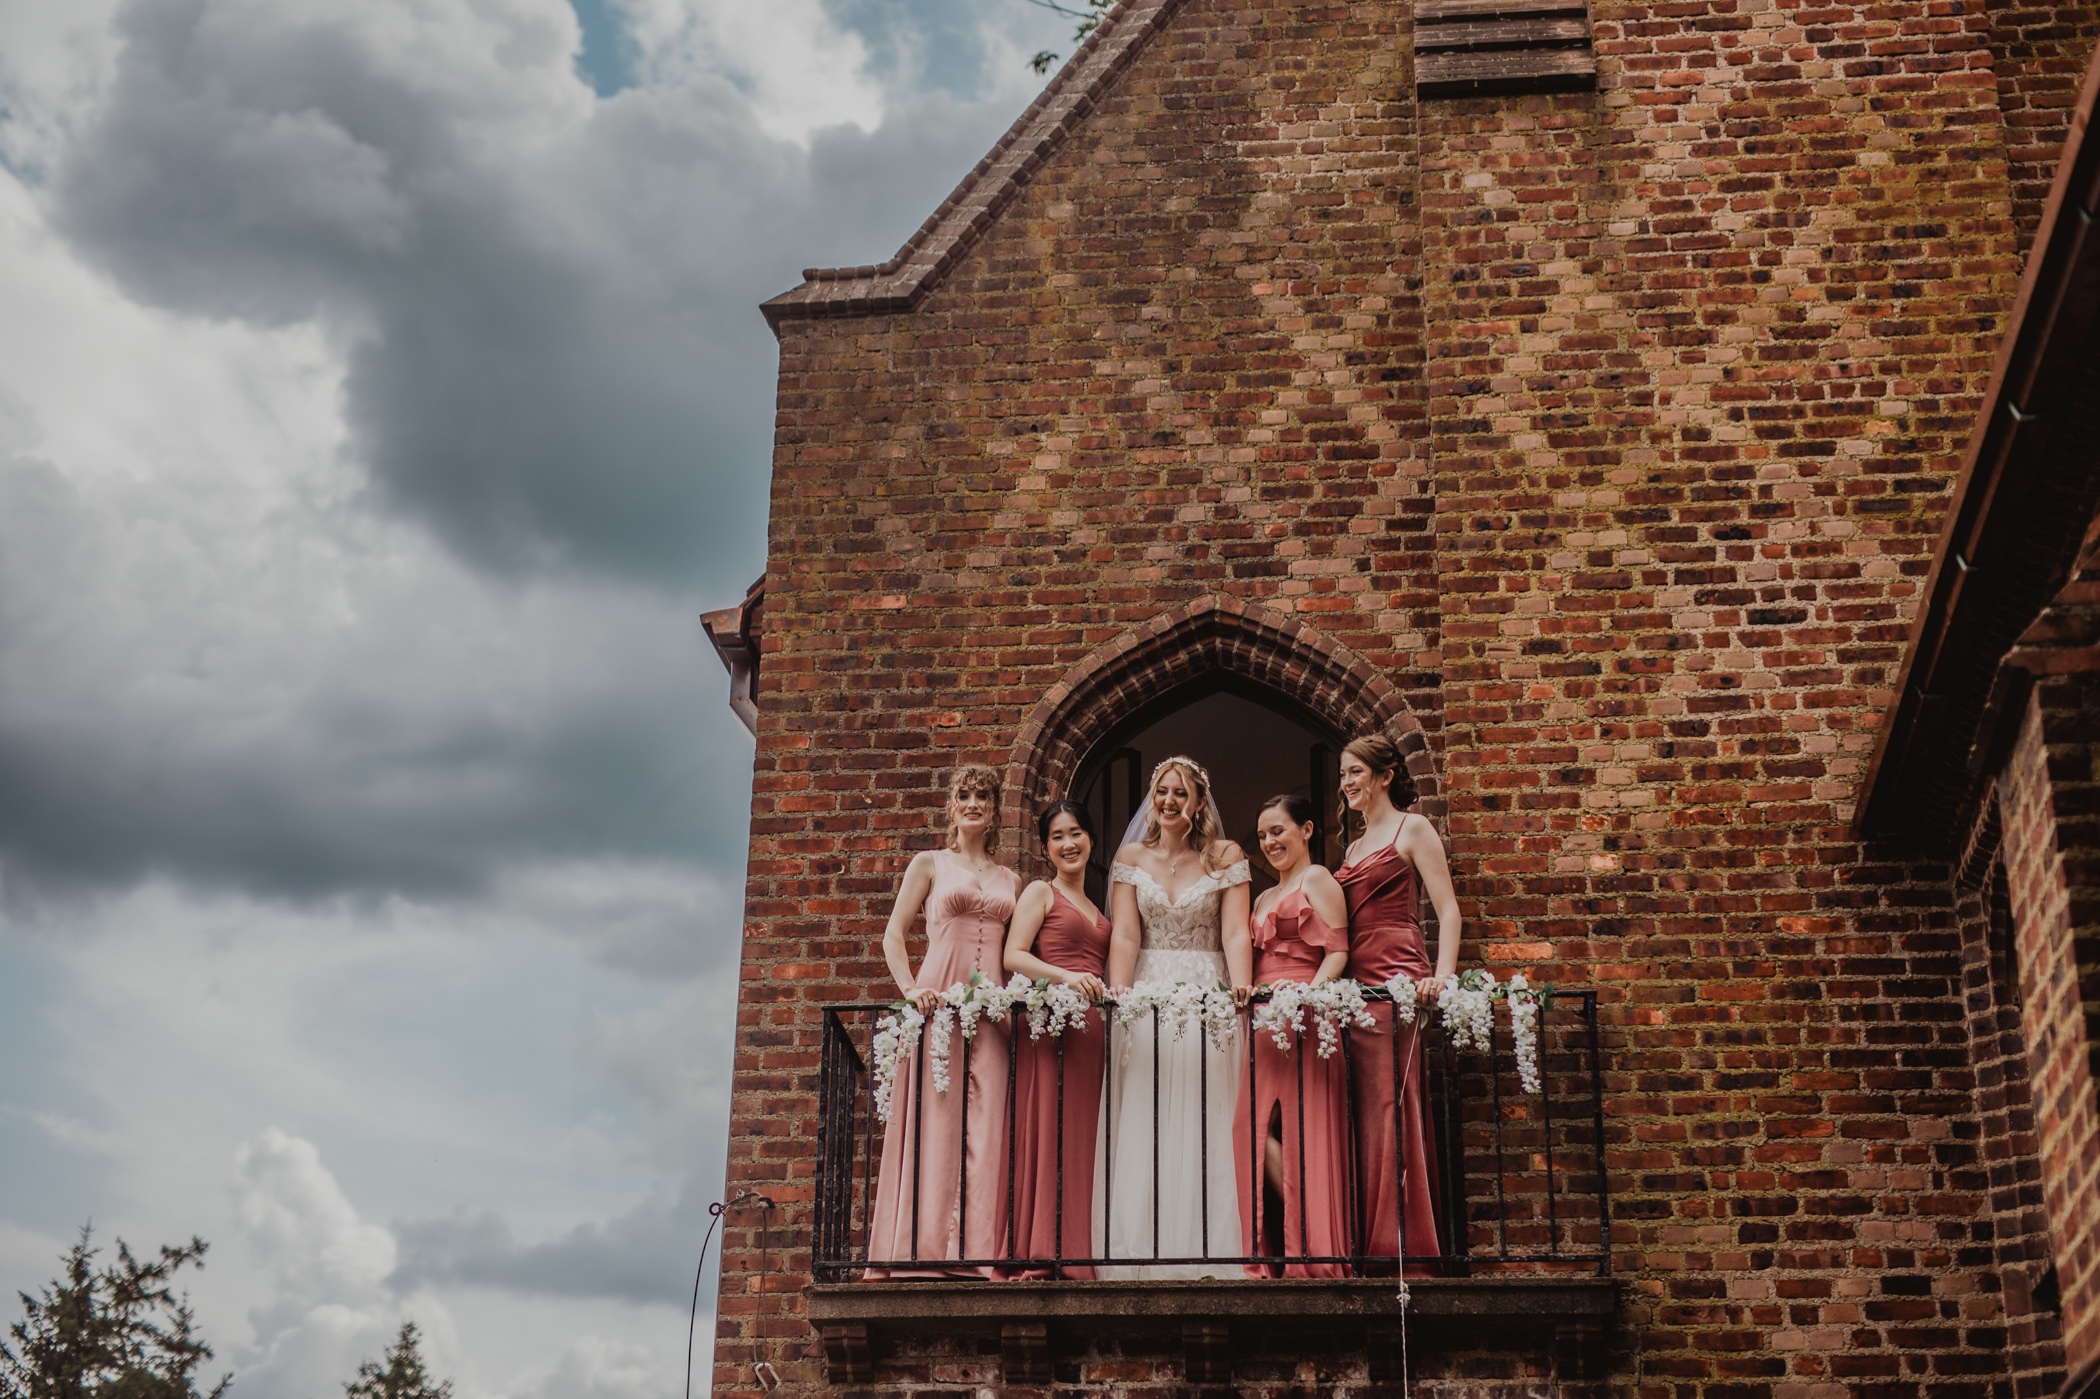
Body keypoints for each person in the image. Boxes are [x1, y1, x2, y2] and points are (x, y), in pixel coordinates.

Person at [1098, 756, 1252, 1278]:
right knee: (1146, 1112)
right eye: (1161, 792)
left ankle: (1213, 1249)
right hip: (1146, 994)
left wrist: (1239, 985)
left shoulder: (1224, 856)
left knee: (1207, 1111)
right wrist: (1120, 993)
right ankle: (1140, 1249)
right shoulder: (1131, 858)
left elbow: (1234, 931)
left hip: (1207, 993)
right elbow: (1125, 934)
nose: (1168, 801)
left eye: (1179, 793)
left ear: (1199, 802)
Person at [864, 766, 1020, 1278]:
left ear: (995, 810)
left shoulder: (1011, 880)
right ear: (952, 807)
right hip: (937, 1005)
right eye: (965, 796)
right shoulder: (929, 864)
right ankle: (922, 1250)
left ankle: (976, 1255)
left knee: (988, 1123)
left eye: (983, 797)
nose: (973, 803)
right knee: (934, 1119)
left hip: (992, 1013)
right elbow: (893, 934)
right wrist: (911, 991)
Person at [1335, 733, 1460, 1274]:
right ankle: (1367, 1240)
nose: (1346, 784)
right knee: (1365, 1109)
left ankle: (1402, 1245)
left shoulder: (1414, 828)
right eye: (1342, 775)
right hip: (1356, 983)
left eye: (1355, 772)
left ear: (1385, 775)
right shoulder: (1352, 848)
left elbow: (1448, 911)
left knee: (1395, 1104)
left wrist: (1442, 978)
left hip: (1400, 975)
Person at [1234, 794, 1354, 1277]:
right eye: (1262, 835)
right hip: (1263, 1021)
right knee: (1251, 1130)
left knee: (1307, 1129)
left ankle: (1317, 1247)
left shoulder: (1318, 879)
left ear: (1306, 830)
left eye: (1278, 831)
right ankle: (1282, 1240)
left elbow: (1338, 952)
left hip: (1305, 1015)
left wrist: (1307, 997)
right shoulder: (1262, 897)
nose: (1269, 842)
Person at [1000, 801, 1112, 1278]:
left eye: (1077, 834)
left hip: (1092, 1034)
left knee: (1087, 1137)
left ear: (1090, 839)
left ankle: (1082, 1248)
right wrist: (1068, 978)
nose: (1069, 844)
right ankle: (1044, 1249)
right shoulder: (1040, 892)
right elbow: (1014, 956)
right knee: (1051, 1131)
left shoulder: (1097, 905)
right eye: (1058, 837)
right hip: (1052, 1028)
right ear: (1046, 849)